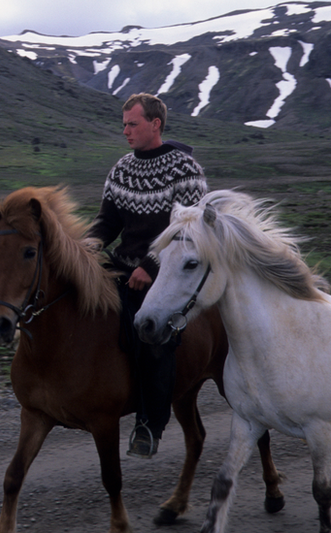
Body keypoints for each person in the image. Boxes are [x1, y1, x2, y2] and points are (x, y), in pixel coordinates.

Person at [87, 93, 208, 458]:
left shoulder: (185, 169)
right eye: (123, 124)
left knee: (154, 339)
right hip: (121, 266)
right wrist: (87, 245)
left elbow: (190, 230)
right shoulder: (122, 167)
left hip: (166, 274)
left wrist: (151, 267)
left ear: (155, 124)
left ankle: (149, 423)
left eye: (132, 124)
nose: (125, 131)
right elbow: (108, 221)